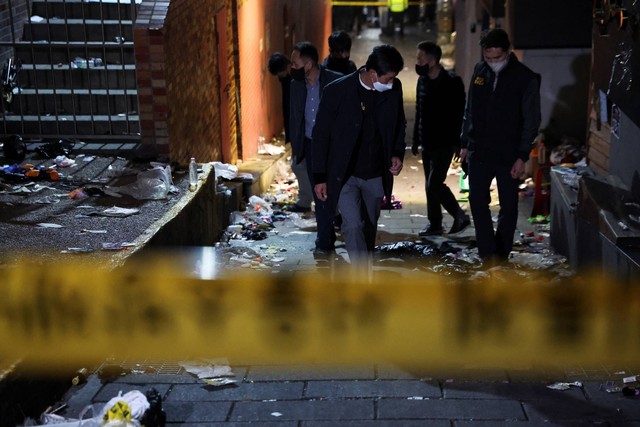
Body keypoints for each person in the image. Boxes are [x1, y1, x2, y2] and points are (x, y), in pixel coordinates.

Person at [312, 44, 406, 267]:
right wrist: (319, 176)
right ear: (373, 73)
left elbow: (399, 124)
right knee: (352, 225)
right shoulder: (337, 91)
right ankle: (362, 277)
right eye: (388, 78)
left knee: (368, 225)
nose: (391, 82)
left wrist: (396, 154)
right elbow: (321, 134)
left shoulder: (394, 89)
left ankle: (365, 265)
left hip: (375, 172)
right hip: (345, 173)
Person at [460, 28, 541, 263]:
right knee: (477, 201)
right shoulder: (480, 71)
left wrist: (522, 155)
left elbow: (531, 120)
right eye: (488, 58)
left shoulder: (525, 78)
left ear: (508, 51)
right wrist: (465, 142)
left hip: (508, 153)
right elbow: (471, 109)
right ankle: (488, 254)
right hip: (479, 150)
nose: (493, 62)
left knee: (508, 205)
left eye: (497, 58)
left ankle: (502, 254)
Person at [411, 41, 470, 237]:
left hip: (445, 143)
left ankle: (459, 216)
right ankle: (434, 224)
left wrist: (460, 143)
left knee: (434, 183)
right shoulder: (423, 81)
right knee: (430, 185)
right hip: (427, 141)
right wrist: (415, 138)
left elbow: (460, 114)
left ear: (433, 60)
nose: (417, 62)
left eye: (420, 58)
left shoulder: (452, 82)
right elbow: (419, 111)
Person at [289, 42, 343, 255]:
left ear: (309, 64)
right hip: (311, 146)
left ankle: (336, 224)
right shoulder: (296, 85)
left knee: (335, 193)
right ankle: (324, 240)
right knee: (319, 192)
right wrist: (297, 148)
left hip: (334, 147)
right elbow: (295, 117)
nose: (292, 67)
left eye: (295, 63)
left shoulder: (335, 81)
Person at [267, 52, 314, 213]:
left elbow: (295, 112)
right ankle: (307, 198)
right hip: (299, 133)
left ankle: (307, 199)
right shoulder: (289, 80)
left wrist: (294, 137)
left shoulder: (295, 81)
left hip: (303, 133)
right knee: (301, 165)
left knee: (299, 164)